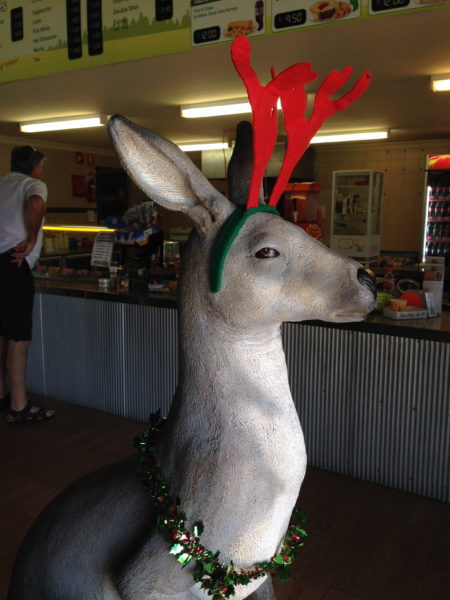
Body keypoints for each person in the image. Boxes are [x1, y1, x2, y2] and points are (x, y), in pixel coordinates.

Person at [0, 145, 55, 423]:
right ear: (35, 166)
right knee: (19, 336)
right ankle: (19, 406)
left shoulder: (2, 184)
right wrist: (32, 239)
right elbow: (36, 204)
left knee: (2, 332)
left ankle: (1, 396)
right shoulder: (33, 184)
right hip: (14, 262)